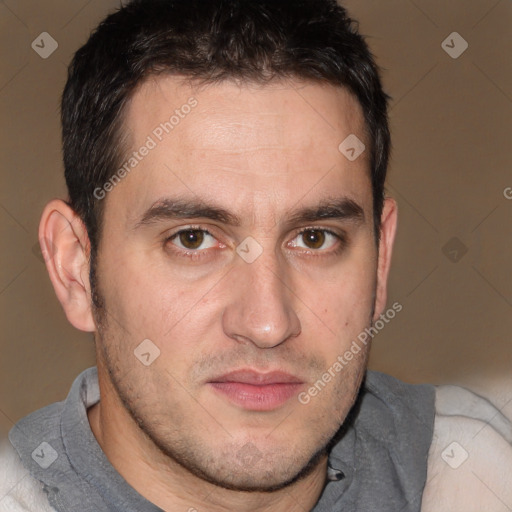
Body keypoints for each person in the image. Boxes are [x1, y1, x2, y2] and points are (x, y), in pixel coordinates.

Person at [1, 0, 511, 510]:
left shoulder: (474, 477)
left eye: (315, 238)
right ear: (74, 269)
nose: (268, 324)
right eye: (193, 239)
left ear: (379, 264)